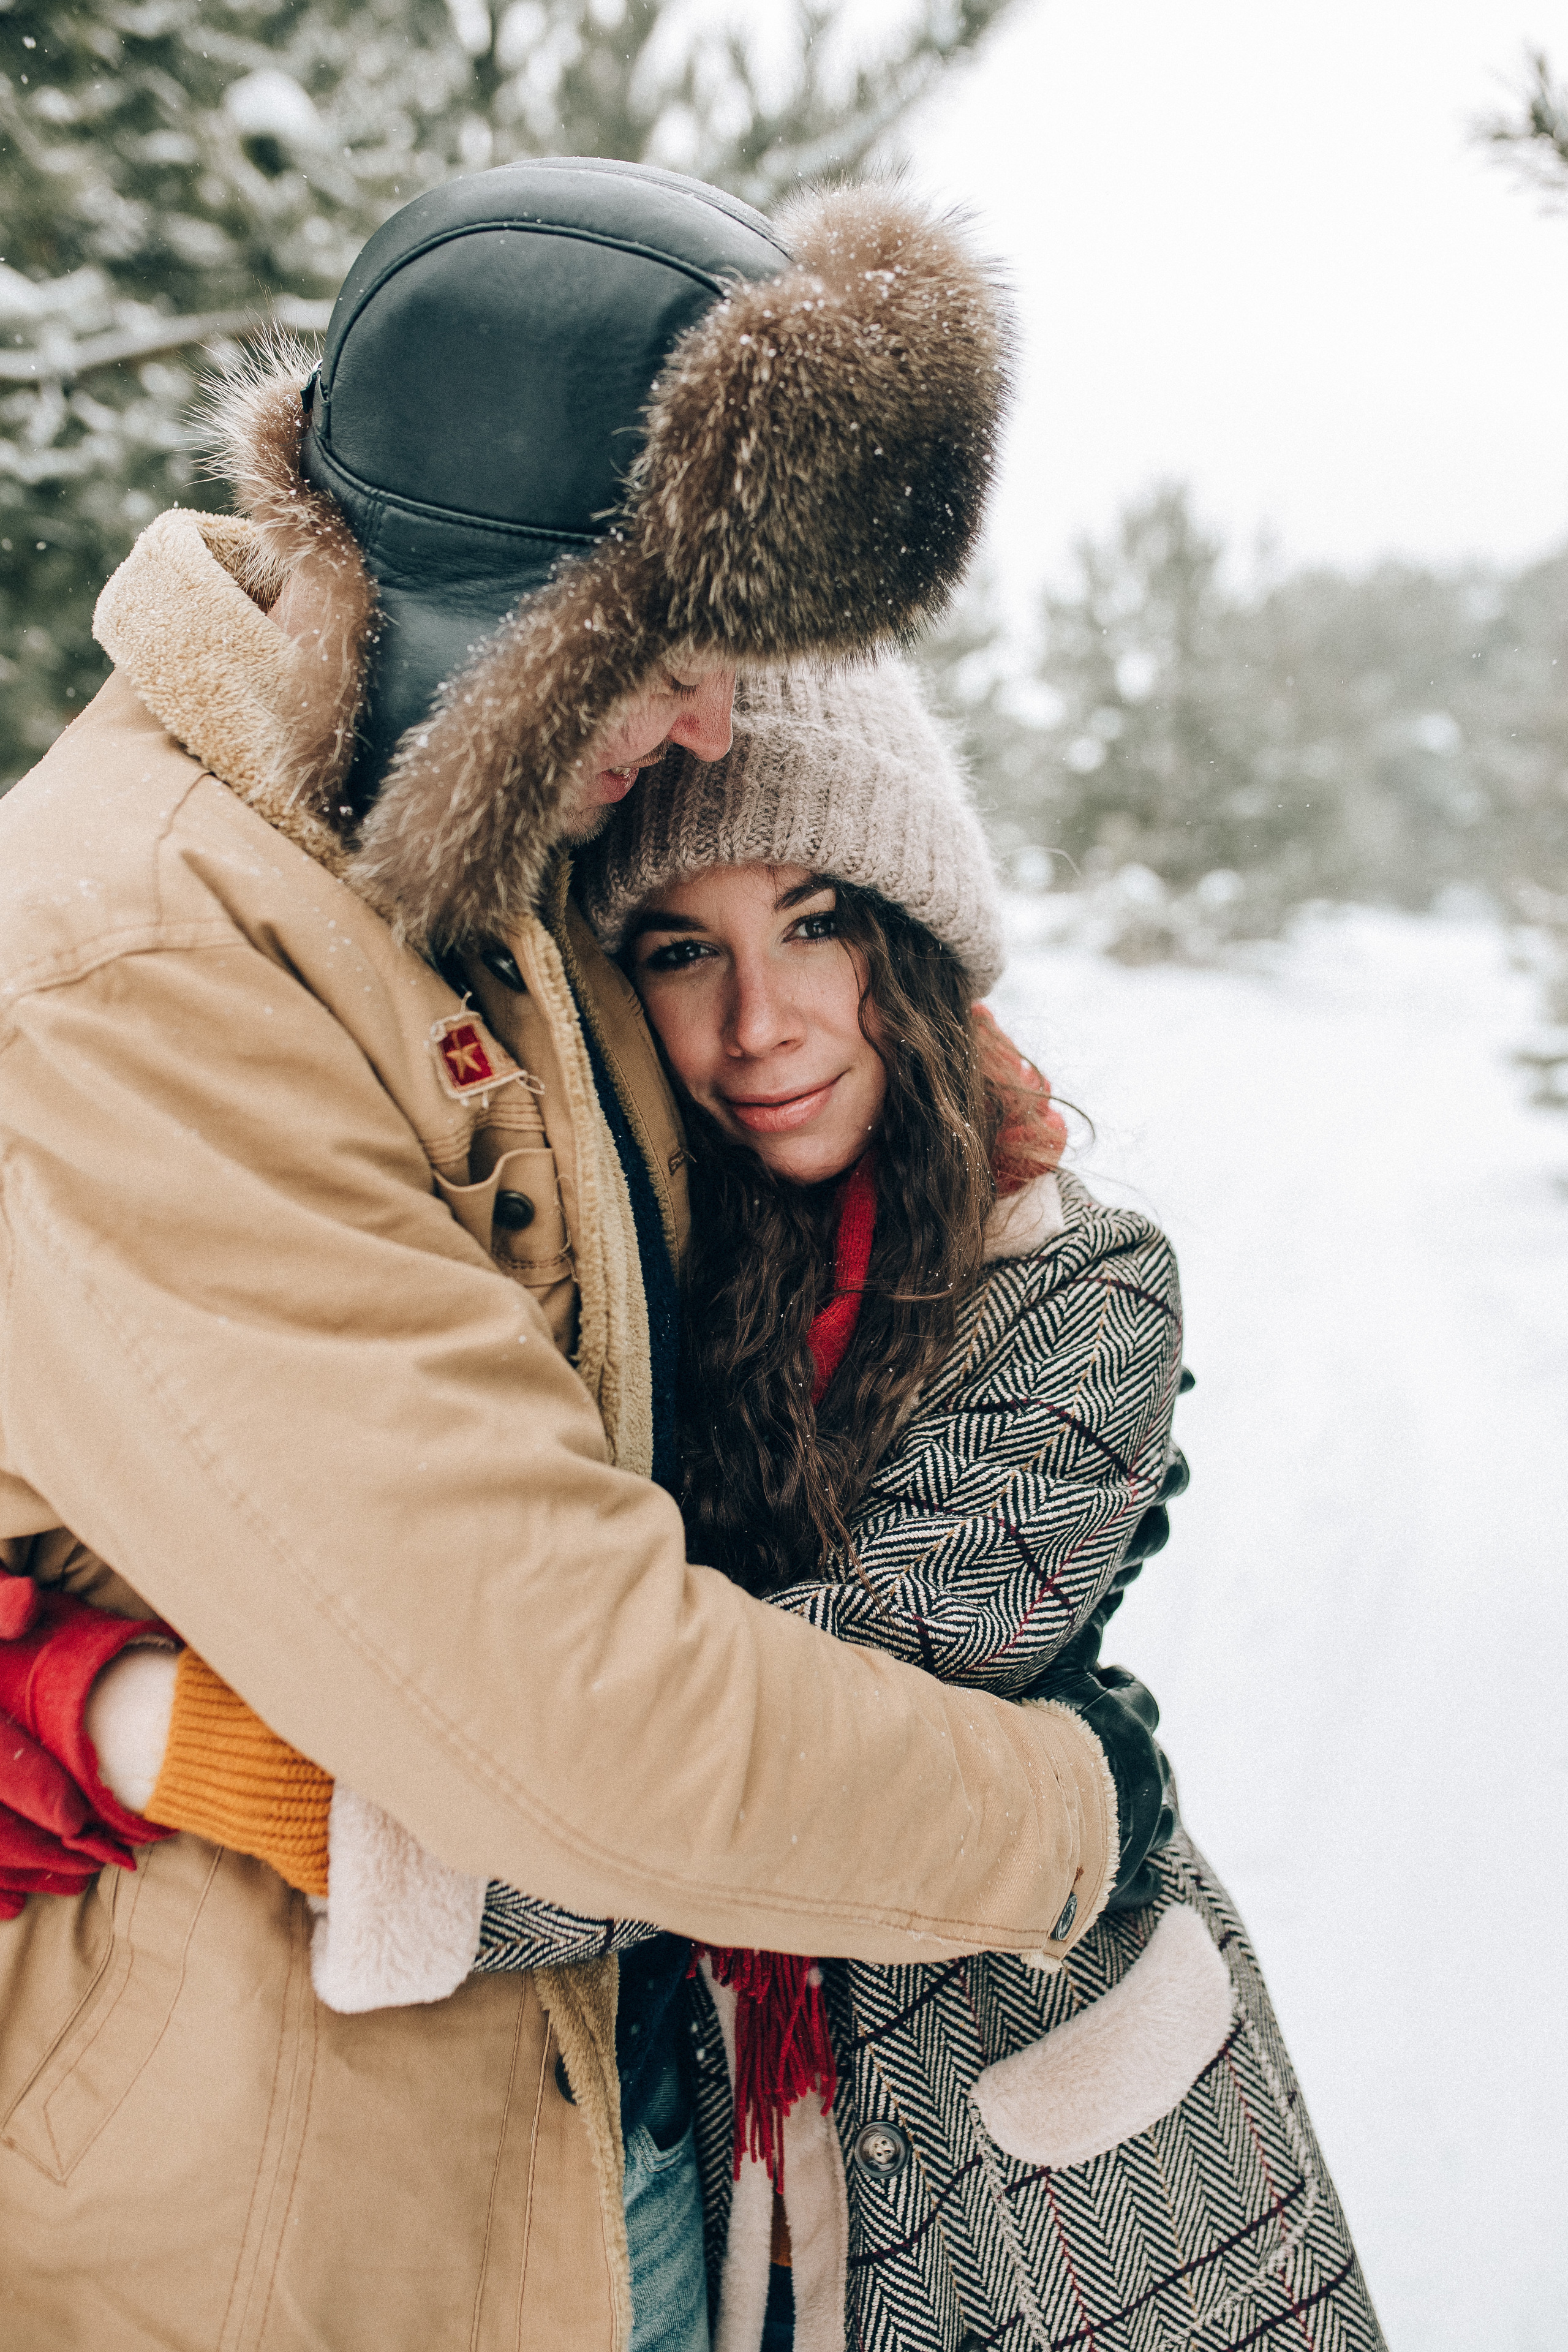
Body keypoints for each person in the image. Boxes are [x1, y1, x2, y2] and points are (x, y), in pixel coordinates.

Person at [0, 162, 1150, 2350]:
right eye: (682, 656)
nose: (713, 726)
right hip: (273, 2216)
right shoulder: (140, 966)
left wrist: (977, 1250)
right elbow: (563, 1716)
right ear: (504, 633)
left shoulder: (454, 865)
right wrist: (1063, 1810)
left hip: (572, 2119)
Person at [63, 662, 1385, 2352]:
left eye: (818, 924)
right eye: (683, 950)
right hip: (733, 2157)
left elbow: (739, 1755)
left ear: (911, 946)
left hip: (1051, 2157)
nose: (759, 1022)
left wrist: (240, 1777)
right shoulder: (627, 1304)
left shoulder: (1070, 1280)